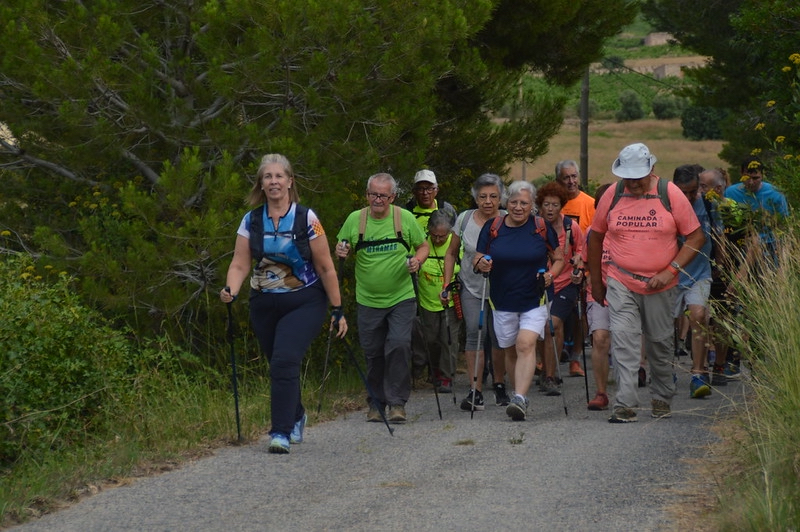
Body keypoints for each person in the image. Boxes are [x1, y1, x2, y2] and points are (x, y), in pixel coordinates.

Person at [220, 153, 348, 454]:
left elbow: (326, 266)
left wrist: (337, 309)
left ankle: (280, 431)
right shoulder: (251, 220)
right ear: (261, 184)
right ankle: (296, 414)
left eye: (279, 176)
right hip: (263, 302)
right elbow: (240, 263)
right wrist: (231, 290)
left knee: (284, 361)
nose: (274, 181)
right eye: (268, 177)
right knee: (278, 365)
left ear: (290, 181)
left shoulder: (307, 218)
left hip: (304, 301)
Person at [588, 143, 704, 423]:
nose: (633, 183)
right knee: (624, 341)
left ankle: (661, 397)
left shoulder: (669, 193)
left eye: (638, 177)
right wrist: (597, 282)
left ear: (651, 170)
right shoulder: (613, 194)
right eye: (628, 177)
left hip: (660, 284)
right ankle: (625, 405)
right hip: (621, 279)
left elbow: (696, 237)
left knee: (659, 345)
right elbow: (595, 236)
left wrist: (670, 270)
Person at [335, 173, 428, 424]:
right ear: (367, 195)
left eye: (383, 196)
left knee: (399, 345)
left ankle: (397, 404)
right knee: (373, 352)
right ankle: (376, 403)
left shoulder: (404, 218)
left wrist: (417, 261)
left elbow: (424, 246)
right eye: (373, 194)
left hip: (402, 296)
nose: (378, 200)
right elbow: (342, 246)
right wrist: (341, 250)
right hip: (368, 299)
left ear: (392, 197)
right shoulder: (355, 219)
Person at [474, 180, 565, 421]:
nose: (518, 207)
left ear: (532, 204)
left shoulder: (541, 227)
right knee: (510, 349)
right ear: (506, 203)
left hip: (535, 298)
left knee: (525, 344)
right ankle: (518, 396)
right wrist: (481, 263)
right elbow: (478, 257)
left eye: (523, 203)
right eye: (513, 202)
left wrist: (551, 275)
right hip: (502, 299)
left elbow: (559, 258)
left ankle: (520, 398)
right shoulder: (493, 227)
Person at [443, 173, 509, 410]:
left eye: (493, 196)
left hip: (502, 288)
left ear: (501, 197)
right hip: (471, 286)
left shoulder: (509, 219)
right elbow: (451, 253)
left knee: (499, 336)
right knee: (474, 333)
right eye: (482, 197)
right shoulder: (464, 219)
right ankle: (475, 390)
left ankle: (499, 384)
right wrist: (446, 284)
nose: (488, 201)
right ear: (475, 198)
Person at [672, 164, 721, 399]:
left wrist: (720, 263)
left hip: (700, 273)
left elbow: (718, 236)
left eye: (694, 191)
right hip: (671, 274)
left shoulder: (709, 205)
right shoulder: (666, 206)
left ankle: (698, 373)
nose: (690, 197)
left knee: (699, 316)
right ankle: (666, 370)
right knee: (667, 324)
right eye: (684, 192)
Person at [405, 169, 457, 385]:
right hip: (417, 280)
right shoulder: (407, 212)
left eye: (429, 188)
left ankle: (441, 373)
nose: (425, 192)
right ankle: (422, 366)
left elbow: (456, 246)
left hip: (446, 286)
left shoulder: (448, 210)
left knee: (445, 334)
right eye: (420, 188)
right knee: (424, 332)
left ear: (436, 189)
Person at [534, 181, 585, 396]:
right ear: (540, 205)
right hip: (538, 284)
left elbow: (581, 251)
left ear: (561, 205)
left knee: (552, 325)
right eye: (546, 204)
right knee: (540, 328)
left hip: (565, 283)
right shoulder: (533, 225)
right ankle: (546, 367)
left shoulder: (570, 227)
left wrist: (579, 263)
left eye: (555, 205)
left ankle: (550, 375)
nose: (550, 209)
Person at [555, 160, 596, 371]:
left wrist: (589, 271)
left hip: (581, 269)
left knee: (581, 315)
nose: (571, 181)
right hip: (557, 271)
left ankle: (576, 357)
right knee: (557, 315)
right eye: (566, 177)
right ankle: (555, 353)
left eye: (574, 176)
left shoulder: (590, 203)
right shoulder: (554, 204)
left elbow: (595, 238)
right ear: (558, 180)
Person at [416, 210, 461, 393]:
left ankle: (446, 376)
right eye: (434, 235)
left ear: (449, 232)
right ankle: (434, 370)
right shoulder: (422, 243)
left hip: (451, 300)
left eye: (442, 236)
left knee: (449, 339)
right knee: (431, 339)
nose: (438, 239)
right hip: (427, 301)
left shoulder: (456, 243)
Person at [583, 183, 613, 410]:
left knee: (625, 342)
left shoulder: (629, 228)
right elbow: (585, 261)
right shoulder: (591, 232)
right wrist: (582, 273)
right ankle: (601, 392)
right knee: (600, 338)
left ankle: (627, 391)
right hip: (598, 290)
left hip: (627, 292)